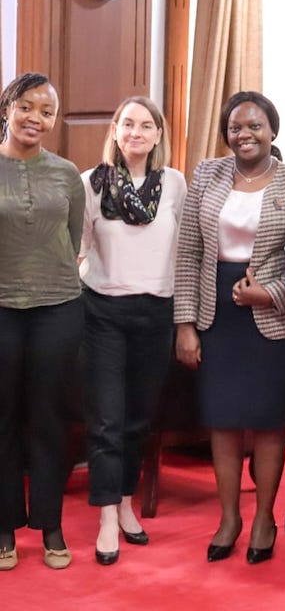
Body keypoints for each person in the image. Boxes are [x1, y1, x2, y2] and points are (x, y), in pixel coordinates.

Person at [174, 90, 285, 564]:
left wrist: (270, 293)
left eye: (255, 126)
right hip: (217, 312)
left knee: (270, 423)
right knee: (223, 421)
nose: (244, 134)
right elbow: (189, 252)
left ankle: (263, 518)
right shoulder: (208, 174)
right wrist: (185, 324)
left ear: (273, 131)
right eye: (235, 127)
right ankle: (229, 517)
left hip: (272, 316)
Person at [80, 97, 186, 566]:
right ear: (116, 130)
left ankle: (125, 502)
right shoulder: (90, 183)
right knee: (106, 420)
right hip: (101, 311)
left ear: (158, 135)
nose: (136, 132)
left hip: (155, 312)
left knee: (138, 420)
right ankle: (106, 517)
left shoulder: (175, 185)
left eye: (146, 125)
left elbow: (184, 250)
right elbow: (77, 248)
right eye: (128, 123)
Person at [0, 73, 85, 571]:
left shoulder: (66, 173)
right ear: (7, 108)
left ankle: (50, 524)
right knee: (3, 418)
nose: (36, 118)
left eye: (47, 111)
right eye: (27, 107)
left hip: (58, 307)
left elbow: (72, 241)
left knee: (51, 419)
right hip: (1, 310)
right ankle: (5, 526)